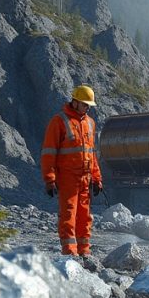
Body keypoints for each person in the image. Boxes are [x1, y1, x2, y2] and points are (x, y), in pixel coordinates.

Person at [41, 85, 103, 257]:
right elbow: (49, 152)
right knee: (68, 216)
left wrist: (97, 179)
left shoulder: (90, 123)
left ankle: (84, 252)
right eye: (84, 104)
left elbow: (92, 154)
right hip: (67, 178)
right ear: (74, 102)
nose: (87, 107)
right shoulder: (59, 121)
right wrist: (49, 179)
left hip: (85, 178)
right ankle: (70, 253)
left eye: (89, 105)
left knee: (85, 217)